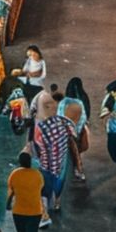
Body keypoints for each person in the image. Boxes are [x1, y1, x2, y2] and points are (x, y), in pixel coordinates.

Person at [33, 93, 73, 224]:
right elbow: (72, 134)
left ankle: (44, 216)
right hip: (61, 163)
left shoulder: (43, 128)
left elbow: (42, 149)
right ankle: (56, 203)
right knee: (58, 185)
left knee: (45, 190)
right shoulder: (63, 122)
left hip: (48, 166)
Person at [7, 152, 44, 232]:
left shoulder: (15, 174)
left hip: (18, 211)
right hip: (35, 211)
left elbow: (10, 191)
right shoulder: (37, 175)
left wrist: (7, 204)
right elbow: (40, 188)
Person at [59, 97, 88, 182]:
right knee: (76, 150)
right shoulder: (79, 103)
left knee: (75, 150)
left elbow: (60, 117)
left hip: (70, 131)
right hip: (75, 130)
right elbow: (83, 117)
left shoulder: (63, 103)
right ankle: (79, 169)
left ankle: (78, 169)